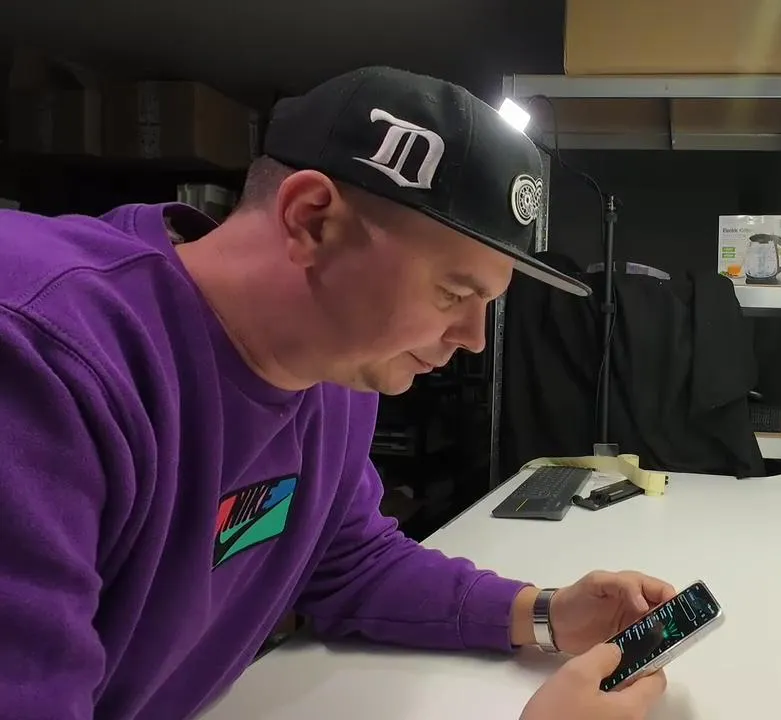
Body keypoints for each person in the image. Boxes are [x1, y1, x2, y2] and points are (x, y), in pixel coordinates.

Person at [0, 66, 673, 719]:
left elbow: (348, 561)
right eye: (453, 292)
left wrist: (545, 614)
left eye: (487, 303)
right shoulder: (43, 357)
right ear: (312, 220)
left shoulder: (335, 371)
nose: (473, 338)